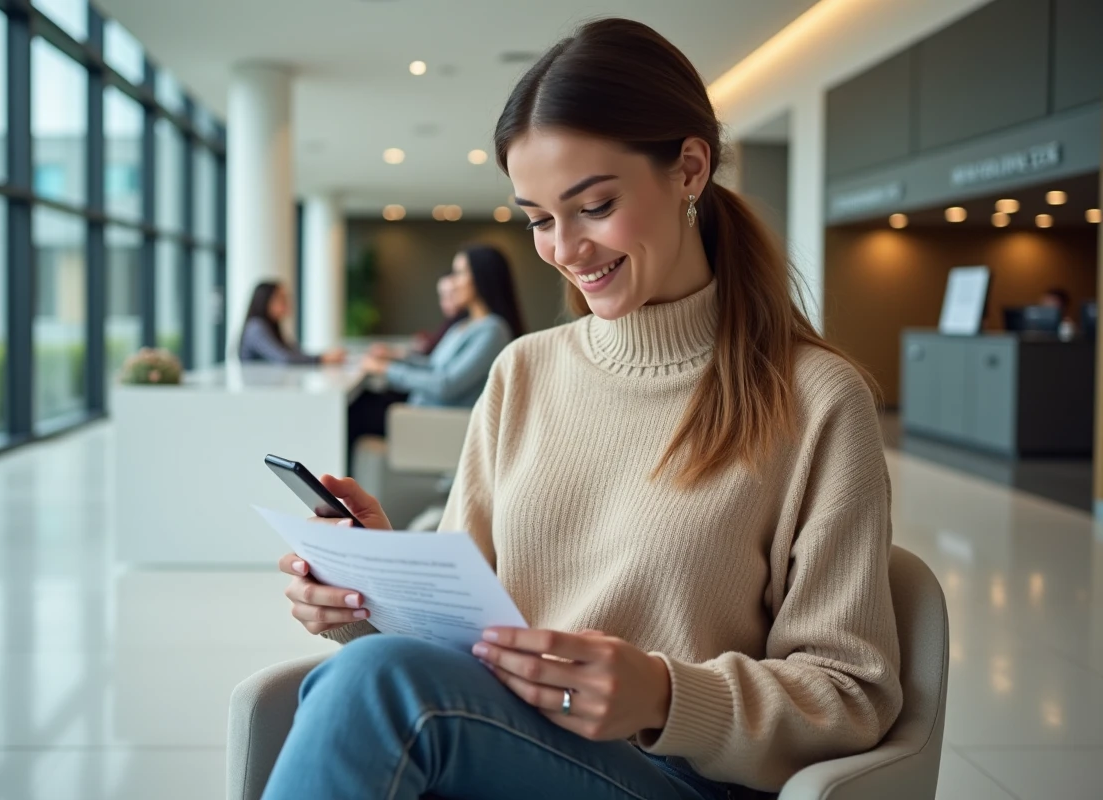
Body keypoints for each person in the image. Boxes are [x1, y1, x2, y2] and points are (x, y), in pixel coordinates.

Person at [267, 18, 901, 800]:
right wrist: (366, 595)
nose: (564, 248)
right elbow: (462, 638)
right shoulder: (523, 373)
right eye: (537, 219)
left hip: (682, 778)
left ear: (690, 169)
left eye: (594, 206)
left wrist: (666, 695)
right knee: (369, 675)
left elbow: (853, 694)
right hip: (509, 746)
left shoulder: (816, 399)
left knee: (376, 688)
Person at [345, 245, 523, 457]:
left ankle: (334, 487)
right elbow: (433, 366)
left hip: (438, 422)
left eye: (459, 273)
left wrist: (386, 369)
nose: (452, 282)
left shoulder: (493, 330)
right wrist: (392, 360)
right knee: (362, 402)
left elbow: (446, 384)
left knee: (356, 413)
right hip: (423, 410)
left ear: (481, 276)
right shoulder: (464, 324)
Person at [237, 281, 344, 365]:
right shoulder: (256, 327)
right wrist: (322, 359)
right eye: (281, 298)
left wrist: (324, 357)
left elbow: (294, 352)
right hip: (258, 389)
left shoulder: (272, 326)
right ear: (265, 301)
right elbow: (284, 358)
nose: (287, 302)